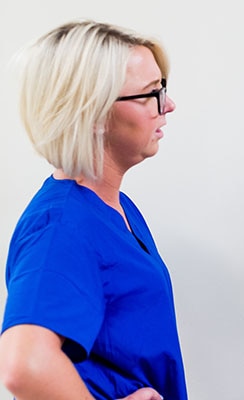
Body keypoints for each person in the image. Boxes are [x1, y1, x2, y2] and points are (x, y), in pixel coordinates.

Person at [0, 21, 187, 399]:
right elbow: (23, 365)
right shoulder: (62, 227)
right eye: (151, 93)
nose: (168, 105)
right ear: (95, 113)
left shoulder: (116, 208)